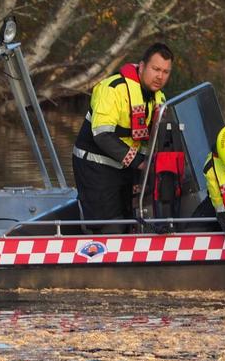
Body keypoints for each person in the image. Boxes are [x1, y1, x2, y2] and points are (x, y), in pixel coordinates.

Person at [72, 43, 173, 233]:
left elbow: (157, 139)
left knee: (133, 221)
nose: (160, 76)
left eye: (166, 72)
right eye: (156, 69)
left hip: (127, 168)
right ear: (142, 67)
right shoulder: (112, 89)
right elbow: (102, 135)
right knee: (112, 227)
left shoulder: (159, 98)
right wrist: (139, 162)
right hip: (96, 167)